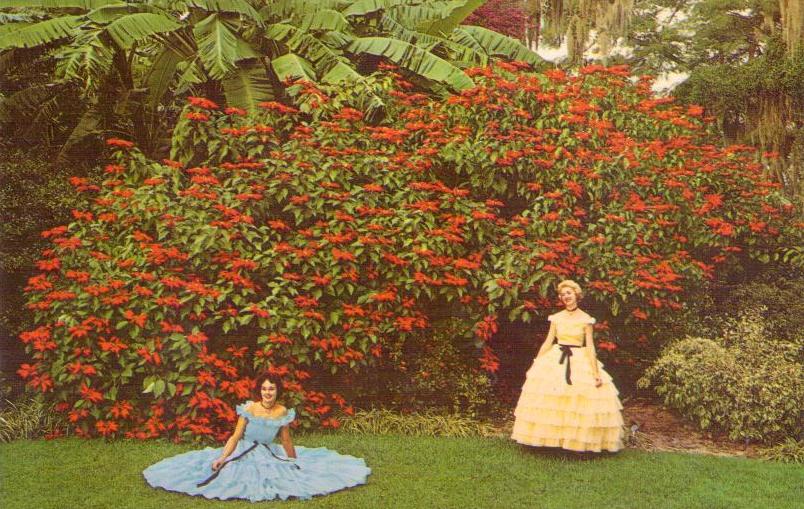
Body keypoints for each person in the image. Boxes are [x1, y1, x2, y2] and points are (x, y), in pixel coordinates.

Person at [143, 373, 371, 501]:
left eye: (271, 389)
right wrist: (223, 457)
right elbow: (235, 436)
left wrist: (293, 461)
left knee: (281, 474)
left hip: (268, 452)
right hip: (244, 449)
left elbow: (285, 440)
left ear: (277, 391)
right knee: (233, 475)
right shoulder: (249, 409)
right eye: (264, 389)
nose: (267, 393)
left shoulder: (282, 411)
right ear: (259, 391)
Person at [511, 279, 624, 452]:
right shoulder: (556, 318)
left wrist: (595, 372)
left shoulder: (586, 319)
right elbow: (548, 342)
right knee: (551, 398)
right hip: (556, 358)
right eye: (563, 295)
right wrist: (536, 362)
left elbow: (590, 346)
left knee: (578, 401)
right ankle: (552, 442)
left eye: (569, 293)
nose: (566, 297)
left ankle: (575, 443)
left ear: (576, 295)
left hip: (579, 358)